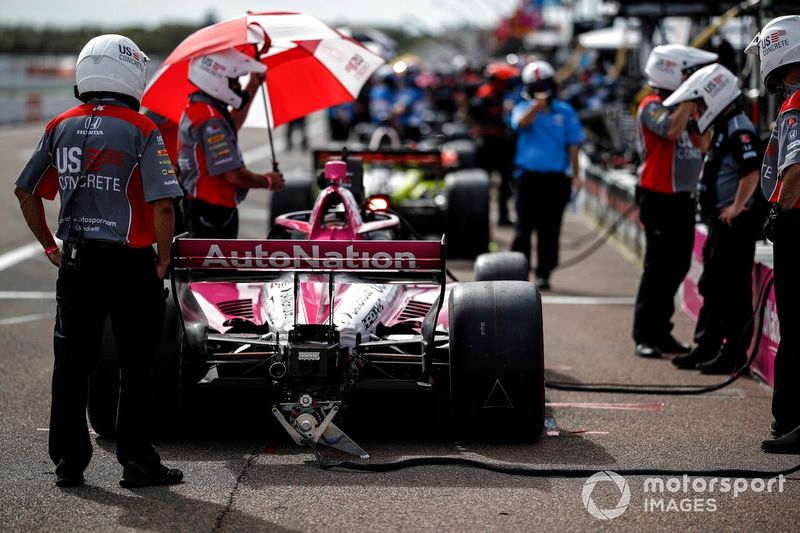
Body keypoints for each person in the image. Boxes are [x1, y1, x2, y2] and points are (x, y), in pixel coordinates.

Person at [14, 34, 184, 487]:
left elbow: (25, 190)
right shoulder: (141, 128)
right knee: (136, 364)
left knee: (71, 363)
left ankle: (69, 462)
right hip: (130, 263)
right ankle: (137, 462)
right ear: (131, 72)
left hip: (75, 262)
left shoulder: (60, 124)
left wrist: (50, 246)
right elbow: (163, 205)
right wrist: (163, 259)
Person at [664, 64, 766, 373]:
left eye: (699, 103)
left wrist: (736, 207)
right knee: (714, 284)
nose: (697, 110)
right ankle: (707, 346)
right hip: (719, 222)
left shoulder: (739, 127)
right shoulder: (724, 125)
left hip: (734, 223)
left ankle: (732, 354)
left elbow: (751, 172)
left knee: (732, 289)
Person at [632, 44, 718, 358]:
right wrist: (687, 98)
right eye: (685, 73)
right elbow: (670, 131)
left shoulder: (684, 108)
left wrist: (697, 107)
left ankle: (661, 331)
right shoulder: (651, 105)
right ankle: (644, 333)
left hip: (683, 196)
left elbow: (704, 144)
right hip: (657, 196)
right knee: (657, 267)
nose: (689, 78)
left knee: (678, 265)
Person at [746, 15, 800, 454]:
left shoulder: (797, 101)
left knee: (797, 328)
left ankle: (792, 420)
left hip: (799, 222)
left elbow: (795, 168)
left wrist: (782, 214)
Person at [178, 48, 285, 238]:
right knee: (218, 269)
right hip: (211, 214)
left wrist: (252, 85)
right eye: (234, 81)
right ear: (216, 78)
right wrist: (268, 181)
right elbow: (233, 175)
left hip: (203, 210)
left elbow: (231, 125)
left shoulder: (203, 109)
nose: (237, 86)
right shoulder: (210, 118)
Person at [510, 60, 585, 290]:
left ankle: (544, 272)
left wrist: (576, 174)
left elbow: (573, 145)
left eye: (545, 85)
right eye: (536, 86)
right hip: (528, 178)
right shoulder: (522, 108)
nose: (541, 90)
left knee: (550, 229)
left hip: (556, 180)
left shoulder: (565, 111)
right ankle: (517, 272)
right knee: (523, 228)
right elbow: (520, 125)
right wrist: (536, 106)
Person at [469, 62, 519, 226]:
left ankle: (503, 217)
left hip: (503, 145)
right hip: (487, 144)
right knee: (483, 183)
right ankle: (479, 219)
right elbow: (474, 116)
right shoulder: (484, 95)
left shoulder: (506, 96)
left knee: (506, 183)